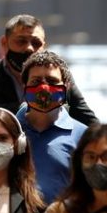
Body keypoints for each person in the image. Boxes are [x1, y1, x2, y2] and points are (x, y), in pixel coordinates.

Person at [0, 14, 97, 125]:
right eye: (21, 41)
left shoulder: (58, 76)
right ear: (4, 43)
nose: (29, 48)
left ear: (44, 46)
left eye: (36, 43)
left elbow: (87, 119)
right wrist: (32, 110)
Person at [16, 50, 89, 204]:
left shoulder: (83, 136)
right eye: (36, 81)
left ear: (66, 87)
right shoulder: (8, 130)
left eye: (51, 80)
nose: (44, 88)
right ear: (24, 86)